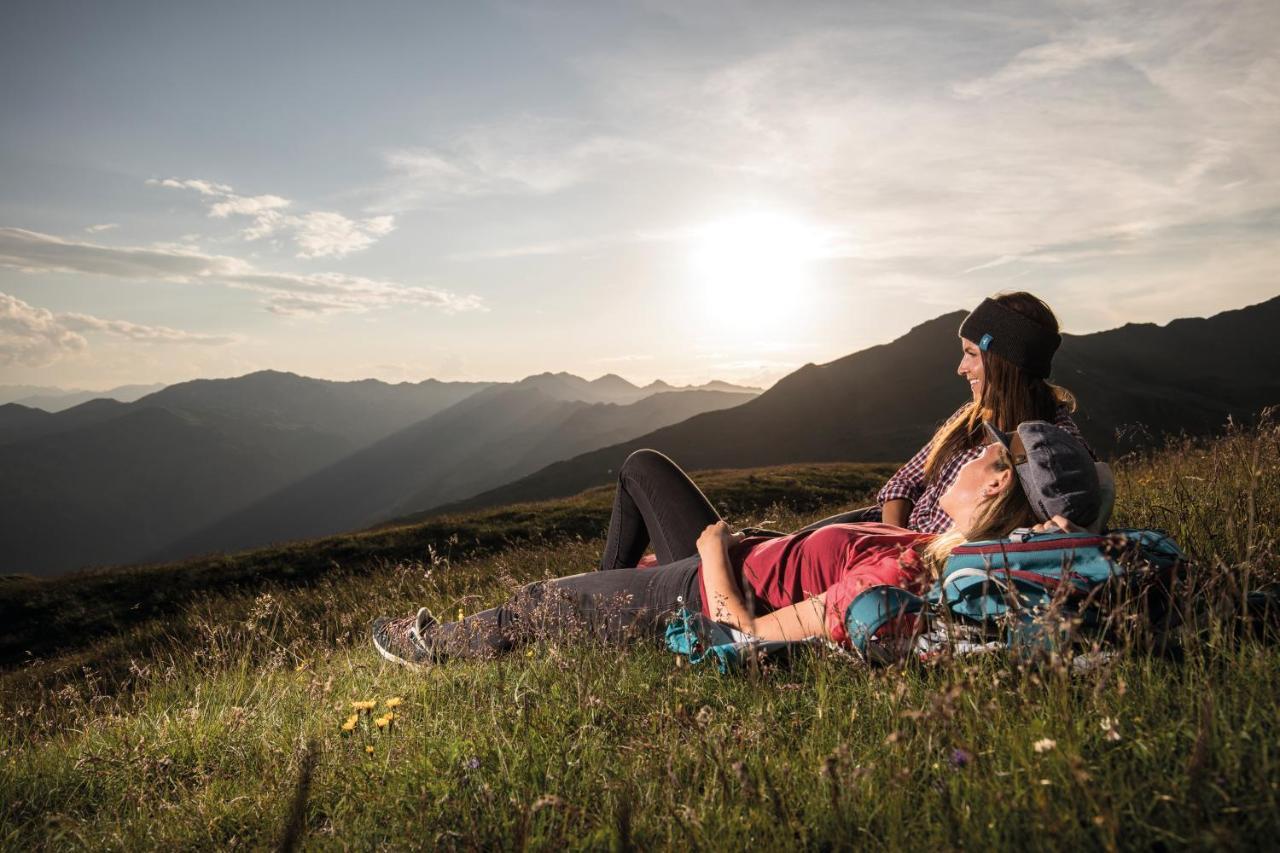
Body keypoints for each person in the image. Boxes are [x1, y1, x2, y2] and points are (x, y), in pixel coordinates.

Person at [371, 421, 1101, 666]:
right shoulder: (917, 539)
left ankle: (439, 647)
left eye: (990, 456)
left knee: (533, 599)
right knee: (641, 468)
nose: (970, 454)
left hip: (700, 588)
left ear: (996, 487)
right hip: (715, 559)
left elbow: (744, 638)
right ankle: (595, 615)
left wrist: (716, 554)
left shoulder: (900, 566)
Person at [796, 291, 1093, 536]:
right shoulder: (970, 416)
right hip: (888, 531)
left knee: (767, 571)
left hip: (921, 555)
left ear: (1005, 362)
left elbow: (1067, 513)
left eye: (972, 354)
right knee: (762, 549)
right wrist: (894, 540)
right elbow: (903, 483)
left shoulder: (1052, 447)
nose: (961, 368)